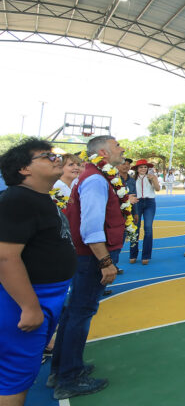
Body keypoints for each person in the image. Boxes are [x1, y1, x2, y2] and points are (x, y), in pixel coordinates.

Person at [50, 135, 127, 399]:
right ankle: (68, 378)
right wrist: (105, 262)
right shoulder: (95, 179)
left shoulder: (94, 176)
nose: (122, 149)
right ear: (104, 153)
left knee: (74, 313)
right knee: (81, 314)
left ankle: (62, 369)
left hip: (84, 257)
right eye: (117, 146)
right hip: (91, 258)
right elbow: (90, 228)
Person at [0, 139, 76, 405]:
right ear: (24, 169)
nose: (57, 160)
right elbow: (5, 257)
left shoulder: (38, 197)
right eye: (47, 156)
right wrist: (29, 307)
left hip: (46, 296)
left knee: (22, 370)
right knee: (14, 376)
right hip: (25, 299)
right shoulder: (18, 199)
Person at [130, 159, 161, 264]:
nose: (143, 169)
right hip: (136, 203)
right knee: (135, 229)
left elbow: (157, 189)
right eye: (141, 167)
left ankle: (146, 256)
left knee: (148, 228)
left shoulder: (151, 177)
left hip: (149, 203)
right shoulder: (132, 179)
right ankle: (133, 254)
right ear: (137, 169)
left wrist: (154, 180)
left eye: (145, 167)